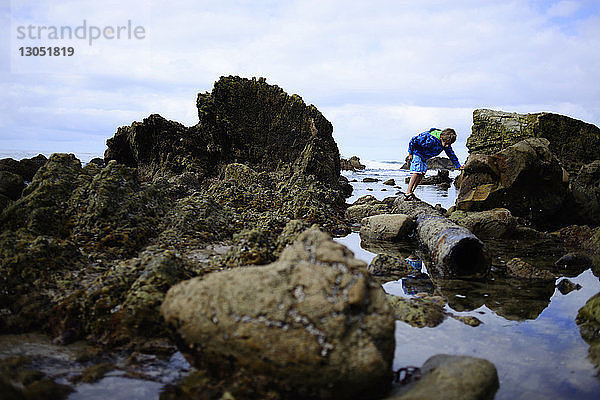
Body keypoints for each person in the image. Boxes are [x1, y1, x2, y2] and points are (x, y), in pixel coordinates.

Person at [404, 127, 463, 201]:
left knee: (422, 173)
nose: (447, 145)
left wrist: (458, 166)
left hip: (425, 157)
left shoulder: (446, 143)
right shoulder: (429, 138)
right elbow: (413, 140)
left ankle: (412, 192)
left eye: (449, 144)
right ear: (441, 138)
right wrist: (410, 153)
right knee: (416, 172)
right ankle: (408, 193)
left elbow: (451, 154)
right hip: (417, 153)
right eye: (446, 143)